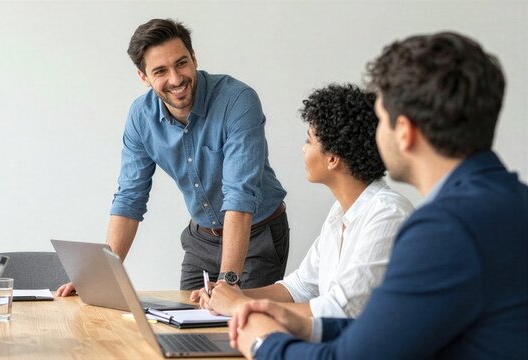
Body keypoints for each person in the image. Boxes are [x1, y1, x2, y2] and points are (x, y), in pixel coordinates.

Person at [229, 32, 528, 359]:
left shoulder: (446, 229)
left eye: (381, 120)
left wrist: (262, 342)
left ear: (404, 132)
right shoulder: (509, 202)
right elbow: (394, 329)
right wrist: (307, 326)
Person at [58, 18, 289, 296]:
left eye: (181, 63)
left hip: (256, 236)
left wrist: (228, 282)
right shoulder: (141, 117)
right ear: (143, 77)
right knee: (182, 328)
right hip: (201, 239)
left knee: (236, 330)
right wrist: (100, 278)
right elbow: (130, 198)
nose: (176, 79)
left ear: (194, 58)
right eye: (160, 71)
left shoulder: (237, 100)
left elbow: (240, 195)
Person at [200, 84, 413, 319]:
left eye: (309, 141)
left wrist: (239, 306)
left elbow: (342, 311)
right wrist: (230, 296)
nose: (303, 149)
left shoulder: (388, 214)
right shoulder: (340, 213)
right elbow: (299, 287)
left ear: (332, 159)